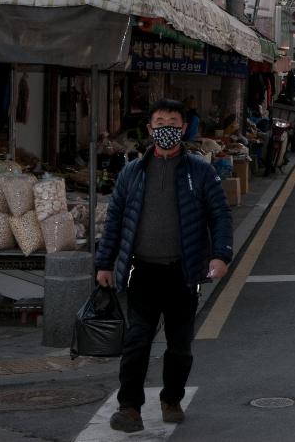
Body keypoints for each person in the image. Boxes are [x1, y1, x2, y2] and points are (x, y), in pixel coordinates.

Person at [95, 98, 232, 433]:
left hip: (184, 273)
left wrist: (220, 255)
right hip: (142, 271)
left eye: (173, 123)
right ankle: (129, 408)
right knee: (137, 340)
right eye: (160, 122)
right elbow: (115, 220)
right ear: (150, 128)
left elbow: (220, 215)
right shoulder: (132, 172)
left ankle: (171, 398)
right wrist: (105, 263)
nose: (166, 129)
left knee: (179, 345)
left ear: (183, 129)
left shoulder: (200, 171)